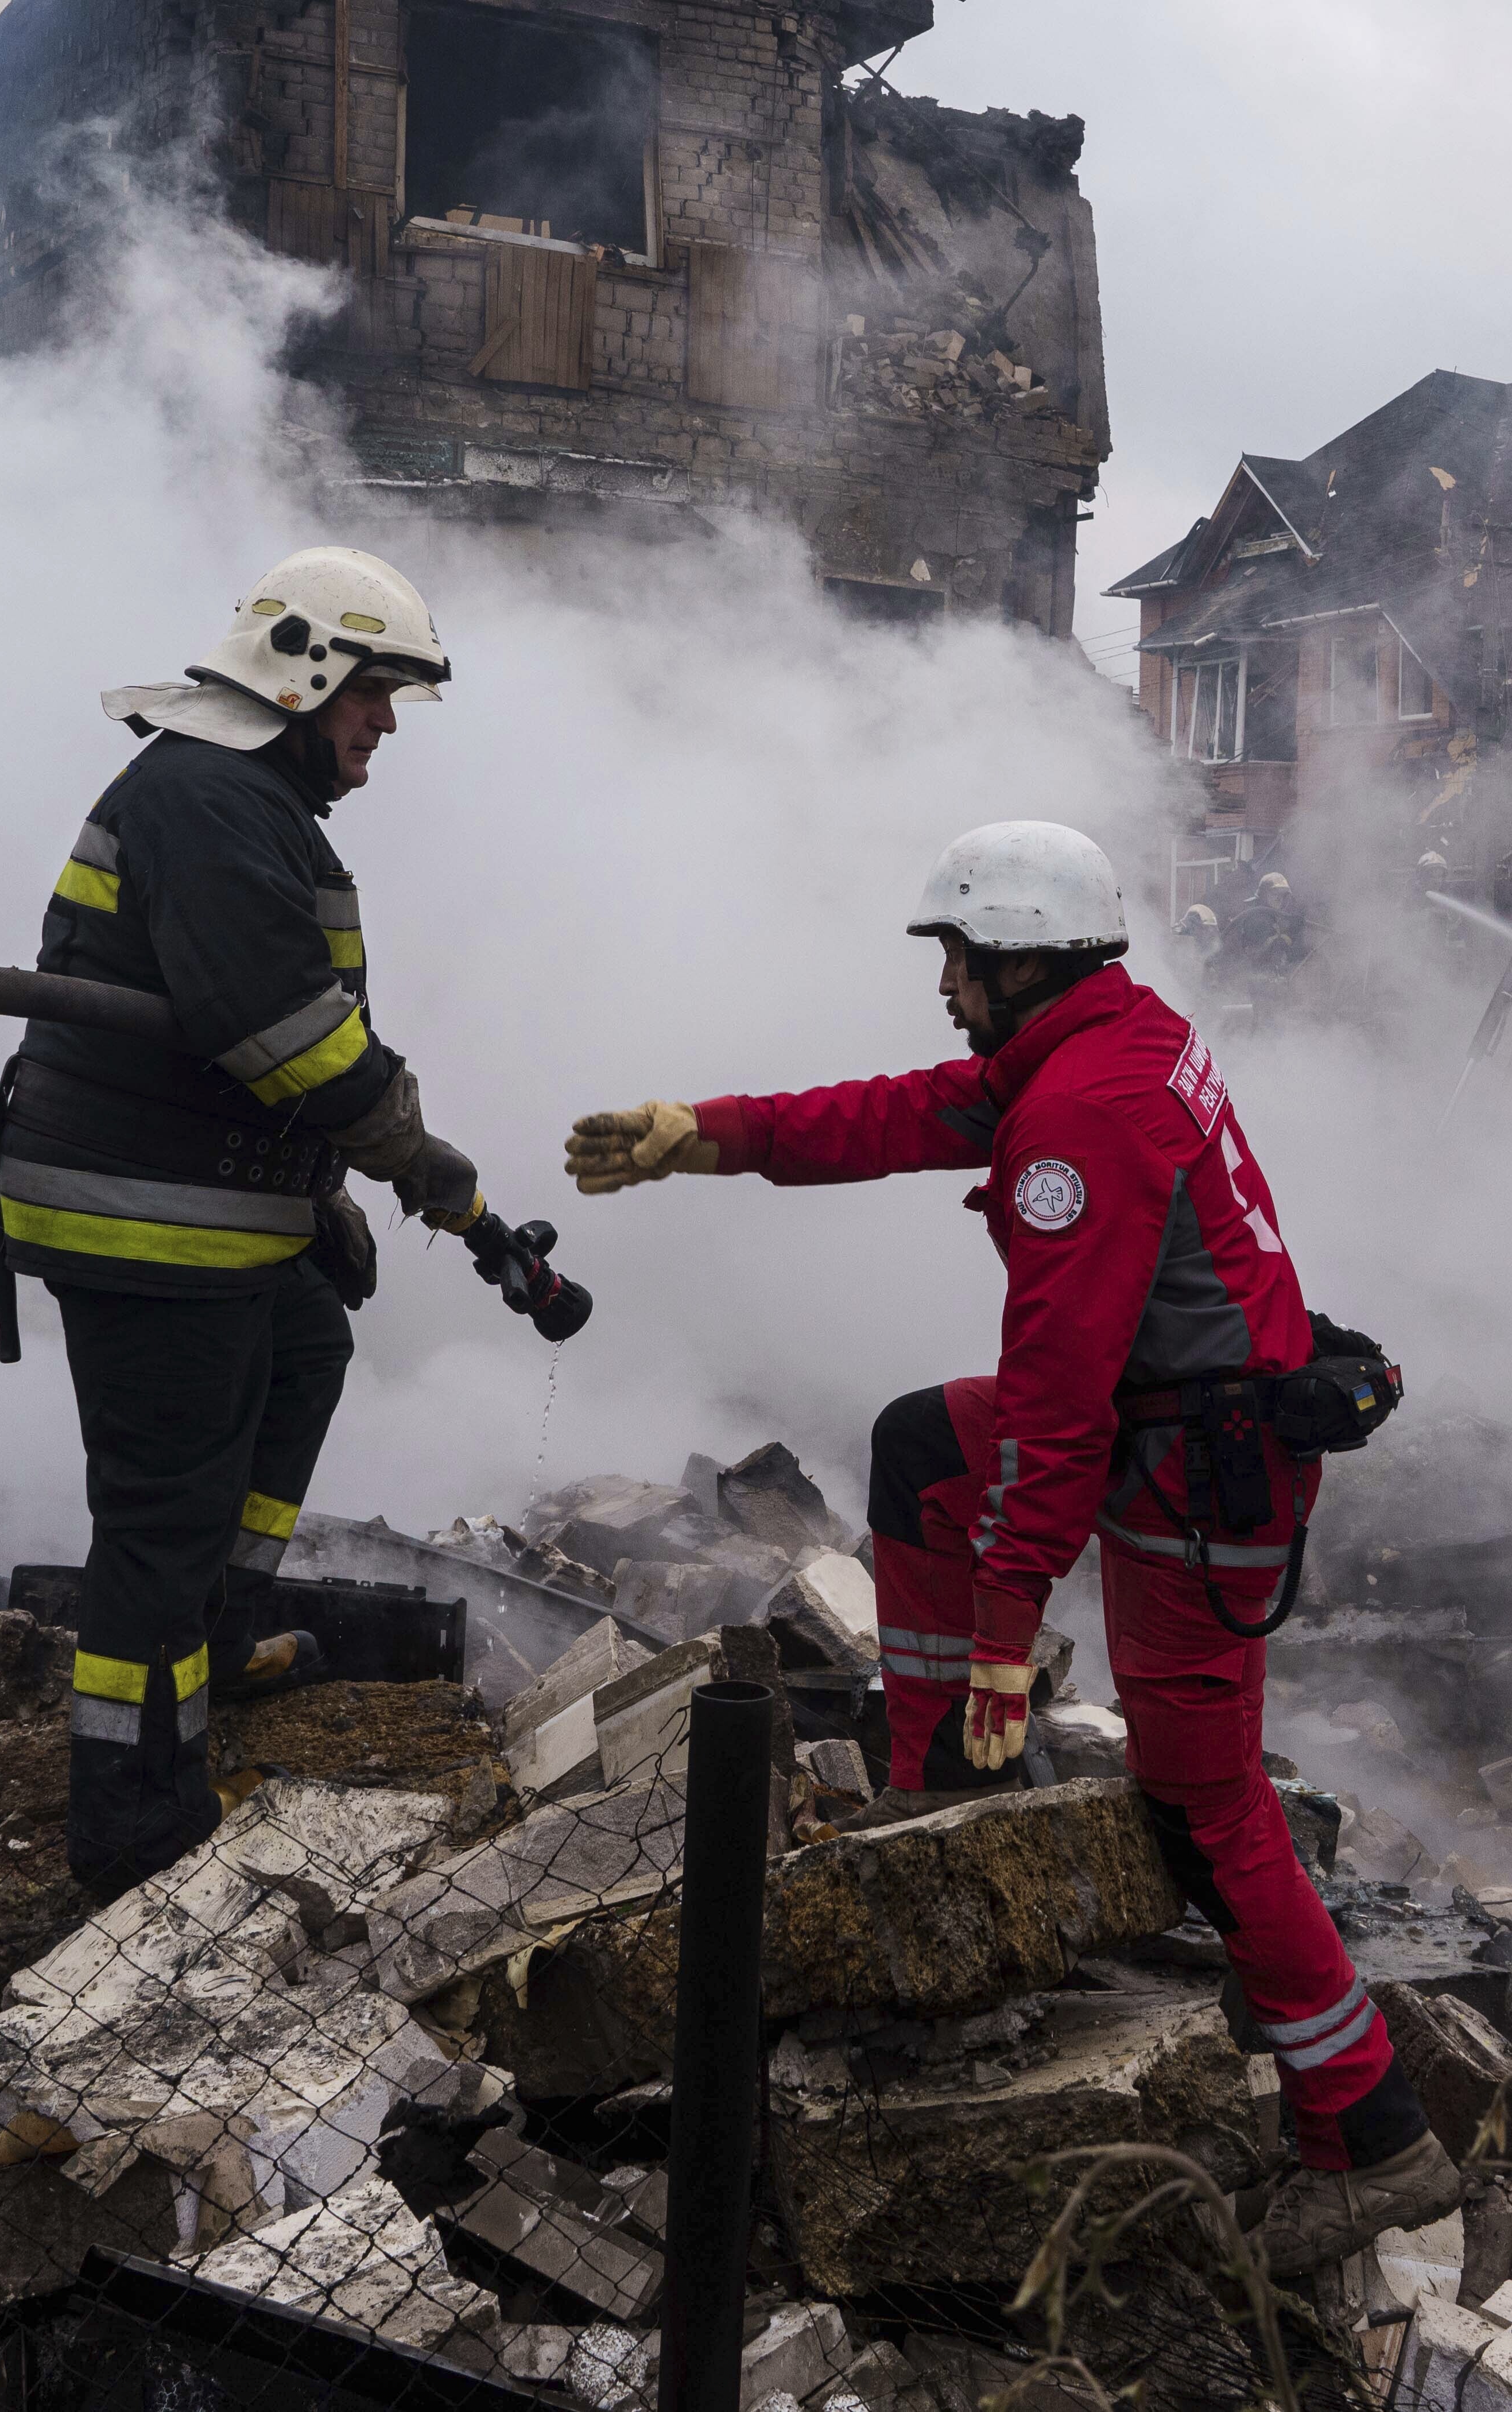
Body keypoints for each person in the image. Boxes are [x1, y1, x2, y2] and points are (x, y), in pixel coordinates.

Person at [561, 820, 1456, 2270]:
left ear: (1022, 954)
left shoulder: (1081, 1119)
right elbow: (902, 1111)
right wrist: (704, 1135)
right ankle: (947, 1796)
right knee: (923, 1445)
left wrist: (1003, 1632)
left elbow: (1058, 1395)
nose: (945, 986)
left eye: (957, 958)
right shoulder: (1105, 1038)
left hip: (1191, 1477)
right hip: (1170, 1433)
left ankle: (1369, 2134)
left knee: (1203, 1804)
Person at [0, 547, 485, 1897]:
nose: (383, 725)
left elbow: (239, 1036)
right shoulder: (210, 798)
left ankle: (208, 1646)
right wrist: (412, 1160)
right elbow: (279, 1033)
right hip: (150, 1225)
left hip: (206, 1199)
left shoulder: (240, 797)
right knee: (159, 1523)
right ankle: (138, 1830)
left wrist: (308, 1192)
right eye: (374, 693)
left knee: (309, 1347)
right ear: (304, 669)